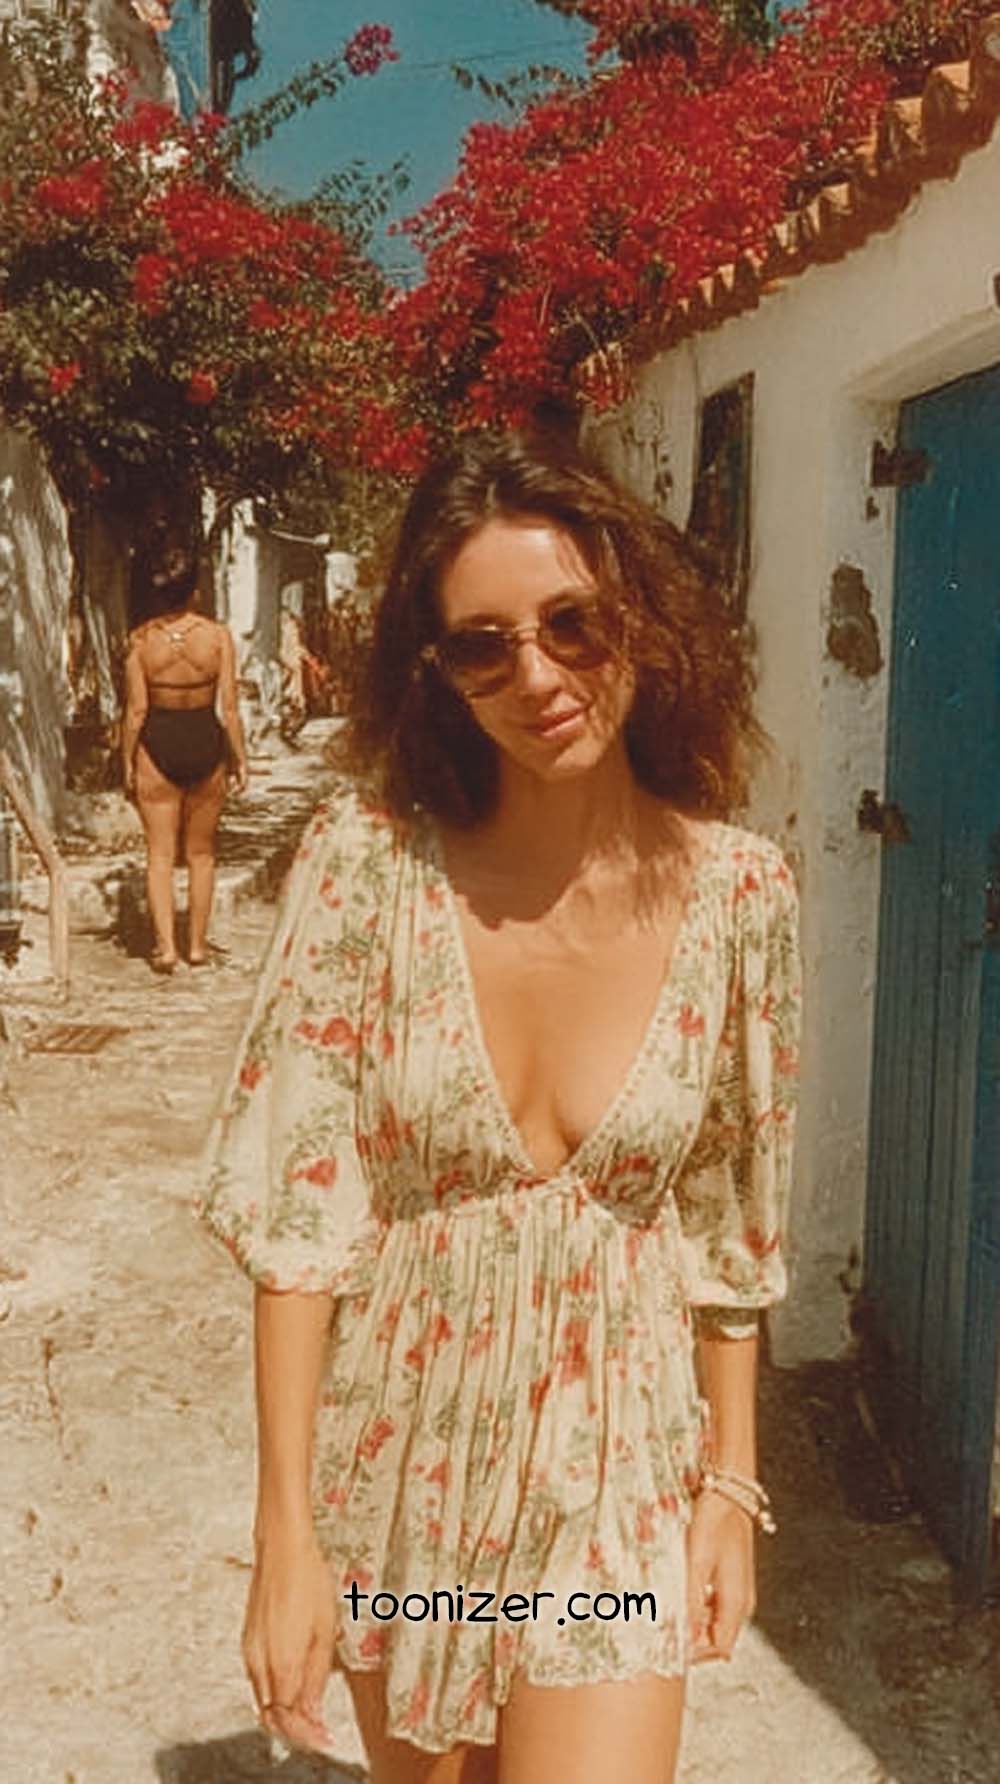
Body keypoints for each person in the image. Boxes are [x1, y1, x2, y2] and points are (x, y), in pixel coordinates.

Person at [196, 431, 801, 1784]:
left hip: (618, 1459)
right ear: (441, 672)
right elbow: (303, 1227)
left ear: (638, 616)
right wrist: (286, 1541)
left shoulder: (741, 898)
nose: (538, 674)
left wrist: (731, 1490)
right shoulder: (364, 873)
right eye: (484, 646)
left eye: (573, 622)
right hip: (403, 1446)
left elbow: (730, 1219)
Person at [121, 547, 248, 972]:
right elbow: (229, 708)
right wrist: (240, 759)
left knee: (159, 854)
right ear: (194, 589)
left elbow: (136, 711)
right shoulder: (217, 637)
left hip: (157, 744)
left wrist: (125, 762)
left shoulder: (140, 642)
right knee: (202, 853)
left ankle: (165, 949)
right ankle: (196, 945)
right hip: (204, 742)